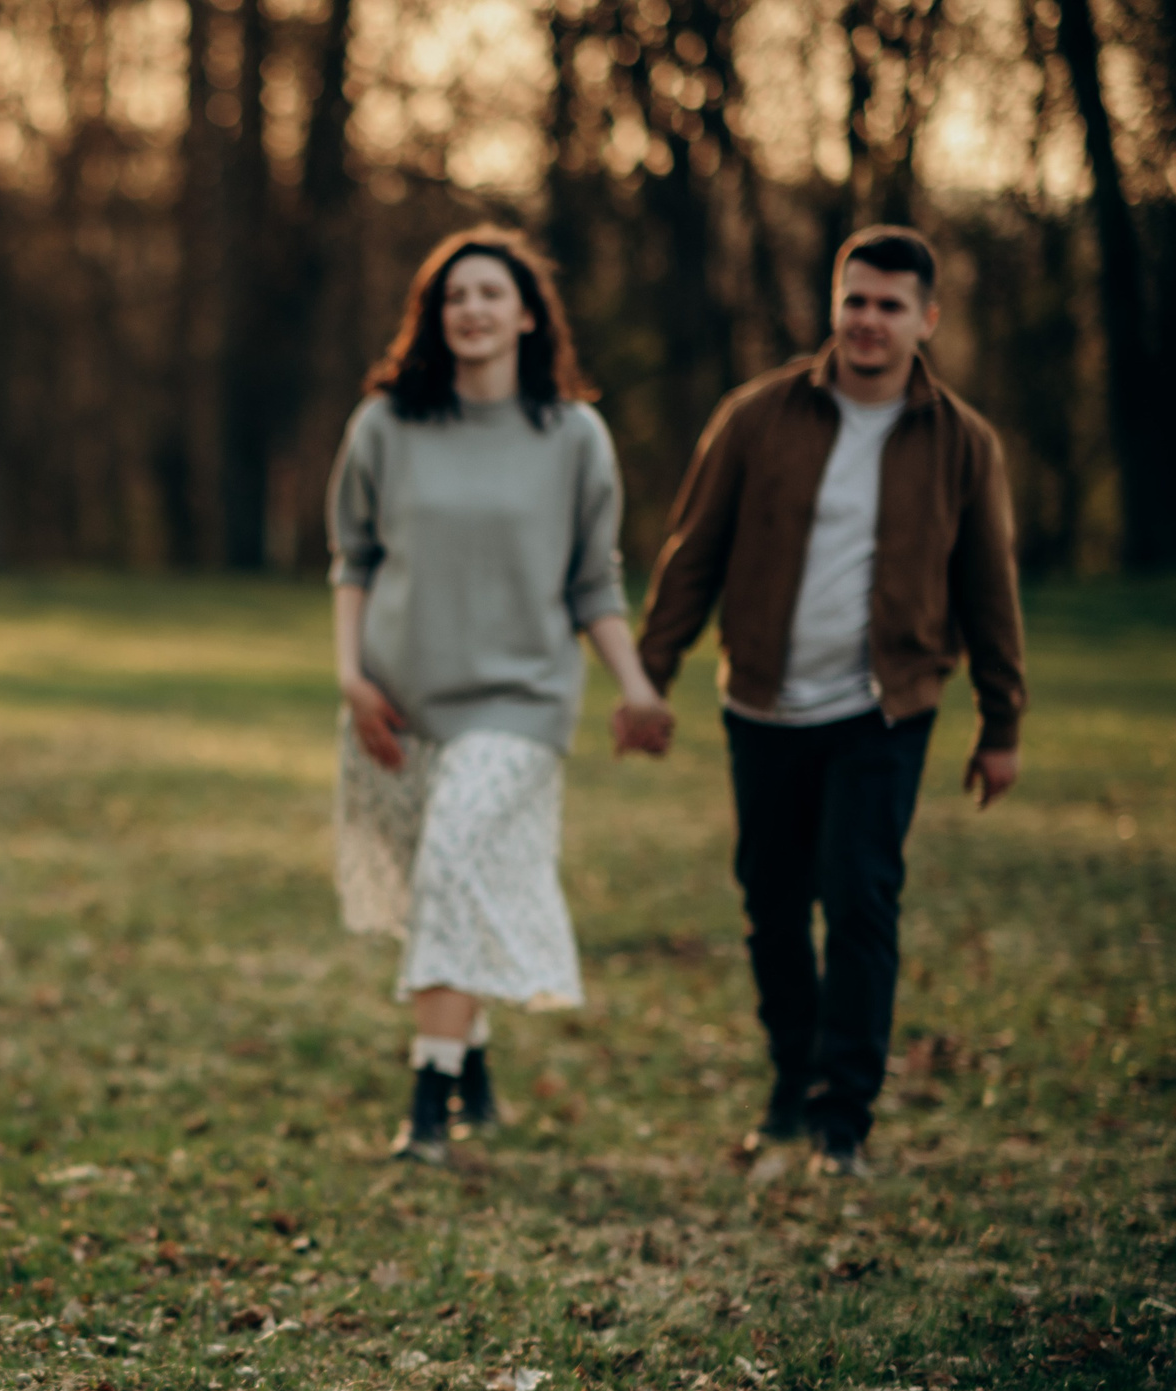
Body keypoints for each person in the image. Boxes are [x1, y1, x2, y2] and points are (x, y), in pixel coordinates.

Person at [635, 225, 1025, 1178]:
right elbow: (695, 553)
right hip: (762, 703)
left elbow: (988, 587)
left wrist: (1000, 721)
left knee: (859, 899)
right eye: (856, 300)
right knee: (772, 904)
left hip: (884, 709)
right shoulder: (757, 417)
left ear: (927, 320)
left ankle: (843, 1114)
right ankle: (790, 1078)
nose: (869, 321)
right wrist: (651, 674)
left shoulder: (962, 444)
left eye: (892, 306)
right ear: (834, 306)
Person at [328, 226, 674, 1167]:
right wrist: (352, 678)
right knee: (447, 883)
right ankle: (475, 1065)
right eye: (454, 297)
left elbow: (593, 582)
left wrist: (637, 689)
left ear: (528, 313)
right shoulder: (387, 425)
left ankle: (430, 1100)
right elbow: (353, 560)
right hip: (398, 710)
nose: (472, 310)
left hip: (520, 704)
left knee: (454, 864)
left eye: (491, 293)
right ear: (435, 319)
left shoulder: (573, 436)